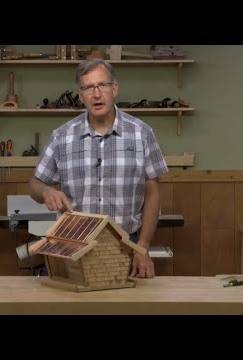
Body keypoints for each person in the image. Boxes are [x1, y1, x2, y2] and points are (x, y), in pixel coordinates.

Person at [29, 59, 168, 278]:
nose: (96, 94)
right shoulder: (61, 137)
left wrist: (143, 246)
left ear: (114, 89)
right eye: (87, 88)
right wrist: (46, 191)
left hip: (125, 246)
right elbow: (35, 184)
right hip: (71, 244)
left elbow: (153, 192)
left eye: (102, 85)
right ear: (80, 95)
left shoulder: (142, 134)